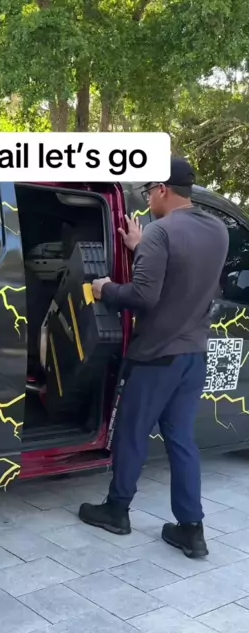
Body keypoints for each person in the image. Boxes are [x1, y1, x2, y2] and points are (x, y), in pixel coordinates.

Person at [78, 156, 229, 559]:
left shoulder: (162, 232)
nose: (147, 199)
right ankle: (191, 530)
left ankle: (116, 510)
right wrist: (141, 248)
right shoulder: (217, 229)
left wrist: (106, 288)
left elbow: (144, 296)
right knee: (182, 440)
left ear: (162, 189)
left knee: (131, 433)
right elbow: (187, 274)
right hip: (193, 355)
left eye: (149, 191)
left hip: (156, 356)